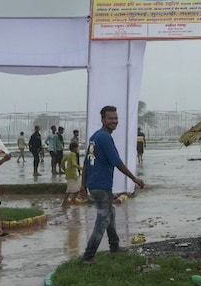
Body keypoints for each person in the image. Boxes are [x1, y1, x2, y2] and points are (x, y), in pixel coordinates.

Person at [81, 106, 145, 262]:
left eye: (116, 118)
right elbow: (117, 162)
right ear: (102, 119)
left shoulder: (94, 137)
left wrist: (83, 186)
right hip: (101, 186)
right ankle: (88, 257)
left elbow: (86, 163)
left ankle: (114, 247)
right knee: (102, 220)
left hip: (97, 185)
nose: (114, 121)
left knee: (111, 214)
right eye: (110, 118)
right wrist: (134, 179)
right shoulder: (104, 138)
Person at [62, 142, 82, 206]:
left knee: (78, 187)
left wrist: (64, 168)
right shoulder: (73, 154)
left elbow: (62, 161)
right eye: (77, 148)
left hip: (70, 174)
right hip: (72, 174)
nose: (77, 149)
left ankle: (72, 199)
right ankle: (64, 203)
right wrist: (82, 168)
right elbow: (74, 164)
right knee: (69, 190)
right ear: (74, 148)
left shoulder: (69, 154)